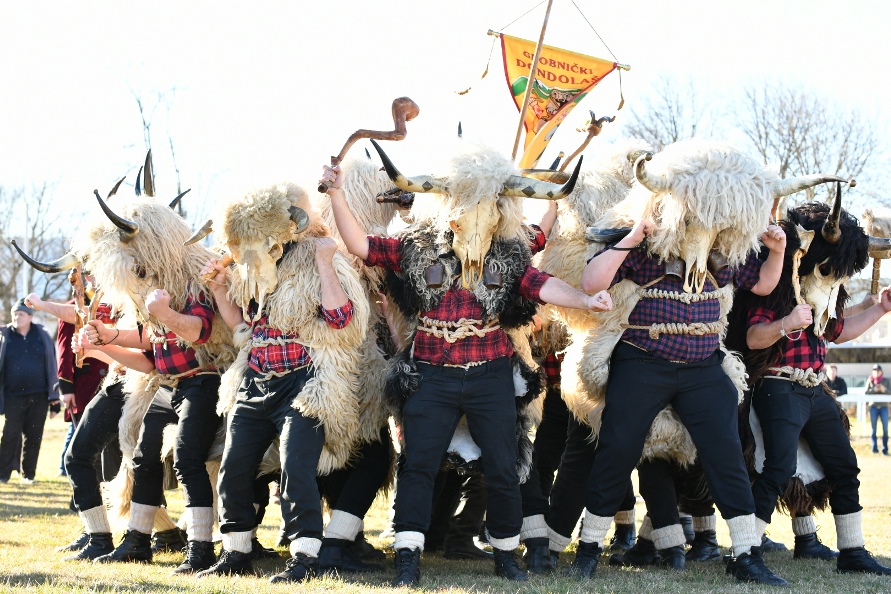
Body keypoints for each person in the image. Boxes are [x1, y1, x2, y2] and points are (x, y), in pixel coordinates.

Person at [324, 146, 613, 587]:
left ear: (499, 213)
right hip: (431, 373)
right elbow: (362, 246)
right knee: (418, 465)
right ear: (450, 212)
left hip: (490, 372)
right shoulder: (416, 247)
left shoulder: (509, 251)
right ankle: (408, 556)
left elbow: (542, 283)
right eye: (466, 210)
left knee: (502, 464)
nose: (476, 219)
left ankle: (505, 554)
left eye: (488, 210)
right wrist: (339, 194)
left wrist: (585, 299)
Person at [0, 298, 60, 483]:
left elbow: (51, 366)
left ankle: (29, 474)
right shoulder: (5, 336)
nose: (17, 317)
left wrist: (54, 397)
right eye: (15, 314)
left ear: (30, 316)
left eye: (21, 314)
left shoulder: (41, 335)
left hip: (39, 395)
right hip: (13, 395)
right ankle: (3, 475)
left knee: (34, 436)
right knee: (10, 434)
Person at [865, 364, 889, 455]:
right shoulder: (870, 380)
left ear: (881, 371)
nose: (876, 372)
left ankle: (885, 449)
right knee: (873, 429)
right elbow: (866, 393)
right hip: (873, 407)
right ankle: (874, 449)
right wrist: (874, 389)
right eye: (874, 370)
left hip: (883, 407)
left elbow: (890, 392)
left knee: (885, 429)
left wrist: (884, 390)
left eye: (878, 370)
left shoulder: (886, 381)